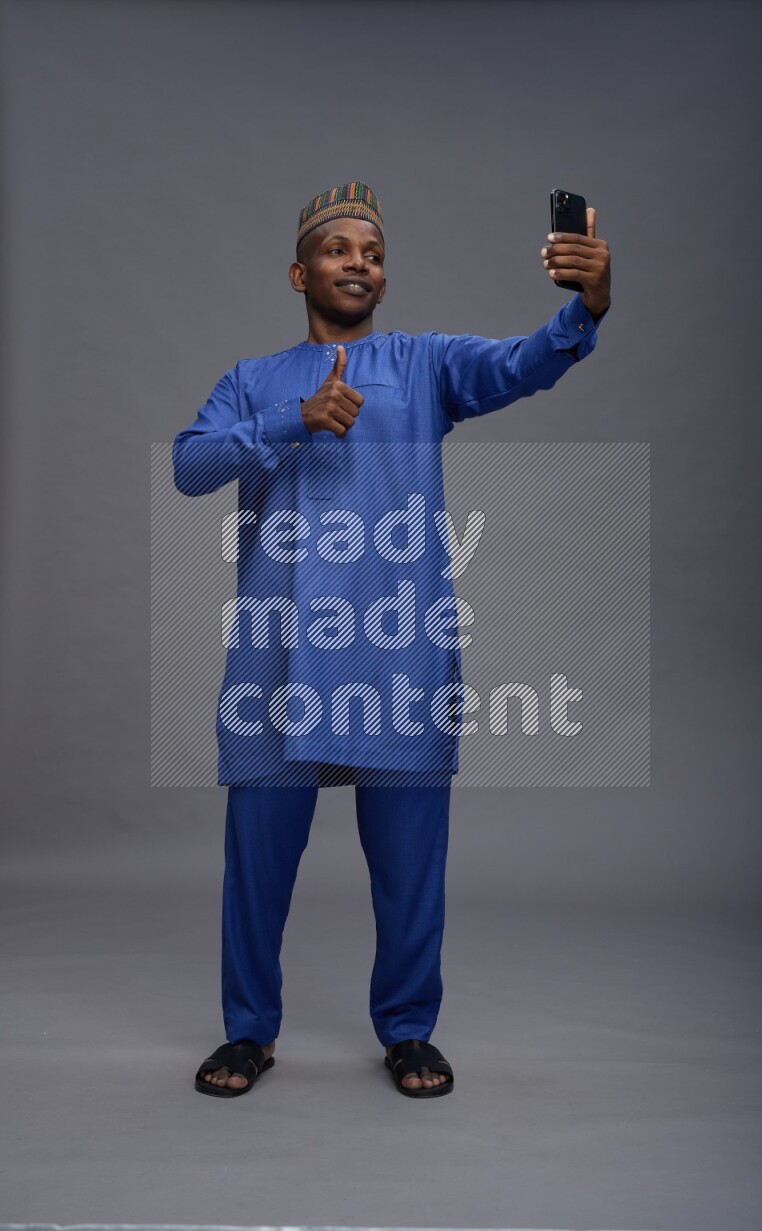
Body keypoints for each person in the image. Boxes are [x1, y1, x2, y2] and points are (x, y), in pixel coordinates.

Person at [172, 181, 611, 1098]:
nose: (359, 262)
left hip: (396, 652)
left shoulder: (424, 366)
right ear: (302, 271)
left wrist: (587, 308)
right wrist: (292, 421)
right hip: (278, 659)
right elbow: (189, 465)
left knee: (411, 867)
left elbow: (524, 364)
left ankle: (409, 1030)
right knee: (255, 866)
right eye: (339, 249)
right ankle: (248, 1032)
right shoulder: (254, 380)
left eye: (372, 252)